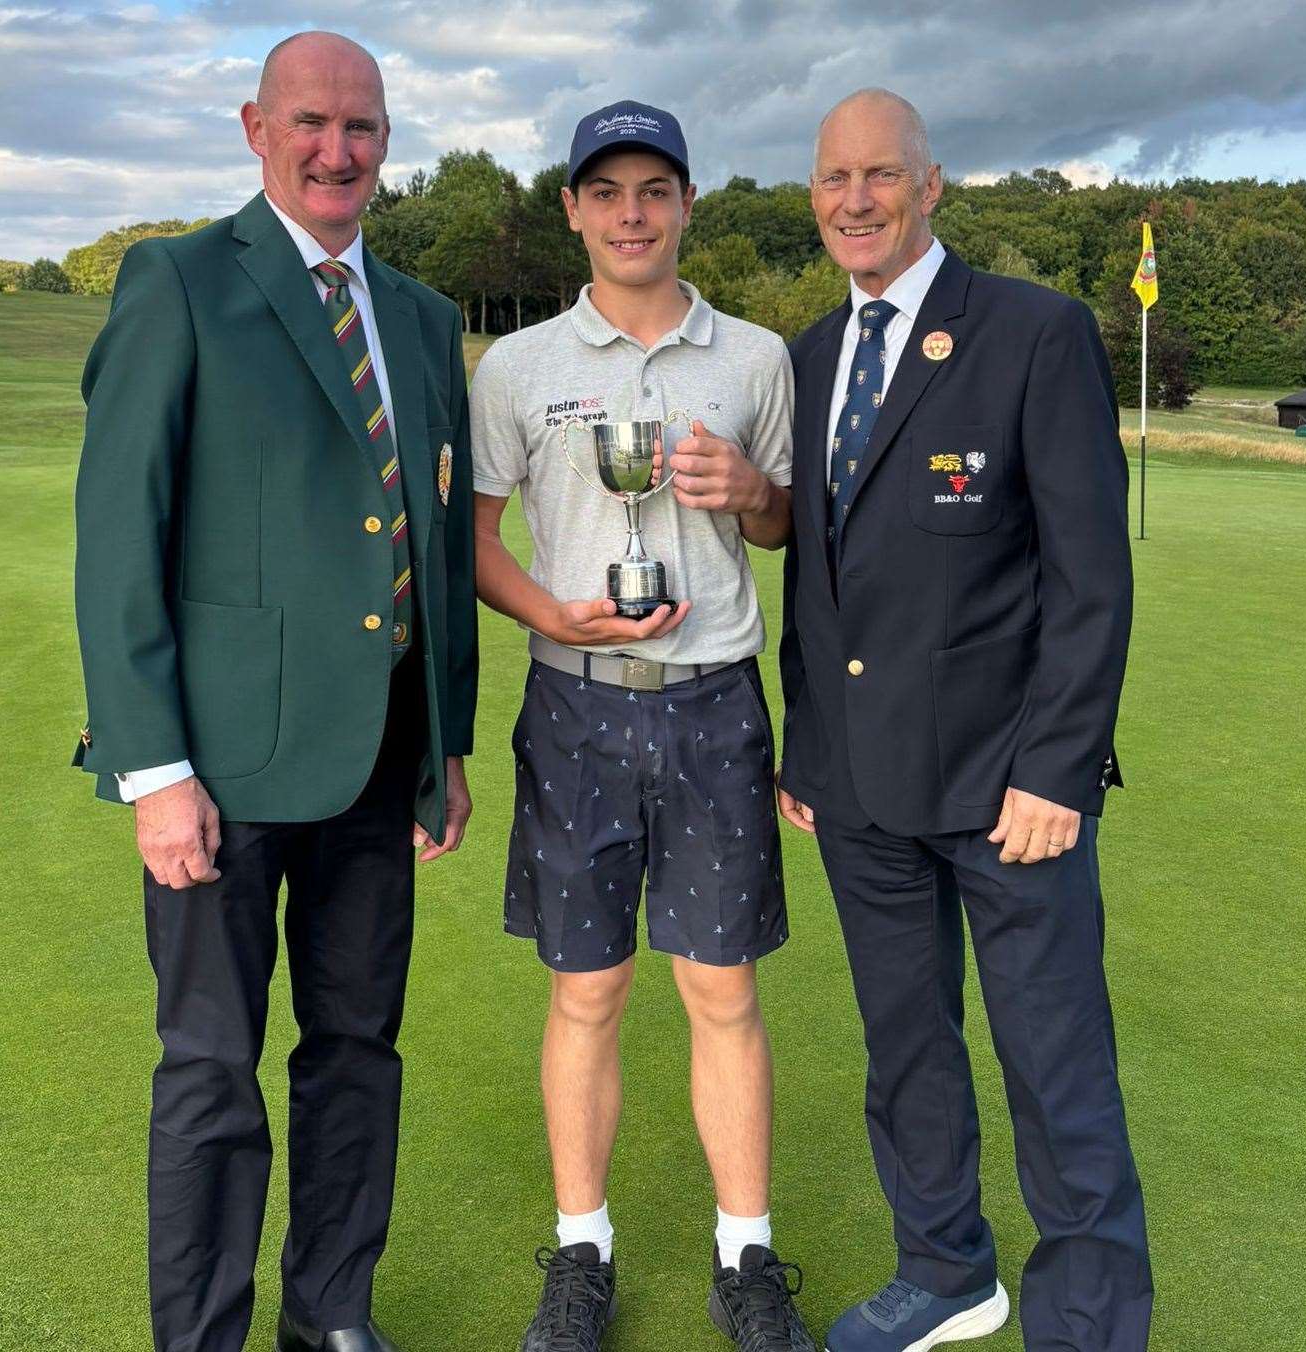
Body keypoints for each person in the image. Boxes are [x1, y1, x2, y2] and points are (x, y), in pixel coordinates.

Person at [72, 31, 476, 1352]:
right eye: (310, 121)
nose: (336, 150)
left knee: (358, 1051)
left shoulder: (421, 319)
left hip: (376, 760)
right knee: (209, 1066)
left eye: (361, 127)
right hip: (220, 769)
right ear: (258, 129)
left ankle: (330, 1313)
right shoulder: (180, 282)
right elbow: (119, 538)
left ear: (386, 142)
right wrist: (153, 770)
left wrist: (444, 744)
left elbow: (432, 541)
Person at [778, 90, 1152, 1352]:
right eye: (834, 178)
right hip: (858, 788)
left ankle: (1086, 1322)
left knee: (1055, 1064)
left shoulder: (1034, 332)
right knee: (907, 1050)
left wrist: (1059, 768)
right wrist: (809, 750)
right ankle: (944, 1268)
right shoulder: (810, 357)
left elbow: (1090, 578)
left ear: (930, 186)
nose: (856, 200)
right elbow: (821, 576)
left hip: (1010, 792)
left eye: (881, 174)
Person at [470, 101, 815, 1352]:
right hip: (573, 699)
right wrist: (550, 610)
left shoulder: (756, 357)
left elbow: (782, 525)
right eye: (606, 191)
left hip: (715, 698)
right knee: (588, 989)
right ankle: (582, 1249)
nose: (631, 214)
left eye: (653, 190)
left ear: (685, 203)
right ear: (572, 208)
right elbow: (473, 539)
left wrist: (752, 489)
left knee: (722, 987)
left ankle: (744, 1255)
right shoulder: (517, 367)